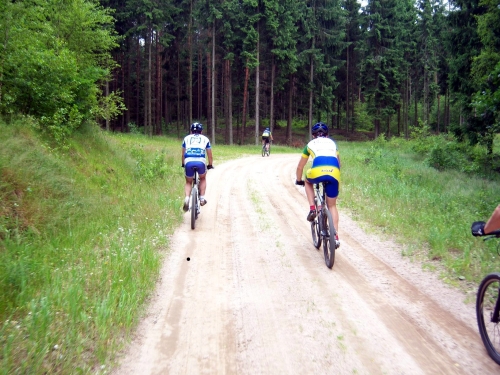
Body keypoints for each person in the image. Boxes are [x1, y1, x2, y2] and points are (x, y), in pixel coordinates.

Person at [295, 122, 341, 248]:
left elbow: (300, 166)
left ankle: (312, 209)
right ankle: (335, 237)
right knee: (332, 205)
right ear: (327, 134)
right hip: (334, 173)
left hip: (317, 171)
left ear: (313, 135)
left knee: (307, 180)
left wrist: (299, 180)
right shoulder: (333, 144)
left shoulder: (310, 144)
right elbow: (338, 163)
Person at [181, 122, 213, 212]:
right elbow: (209, 154)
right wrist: (210, 164)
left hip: (188, 161)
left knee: (188, 182)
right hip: (200, 161)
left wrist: (183, 163)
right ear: (201, 131)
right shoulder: (205, 139)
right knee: (202, 178)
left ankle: (187, 198)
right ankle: (202, 199)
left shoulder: (186, 138)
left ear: (191, 131)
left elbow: (183, 154)